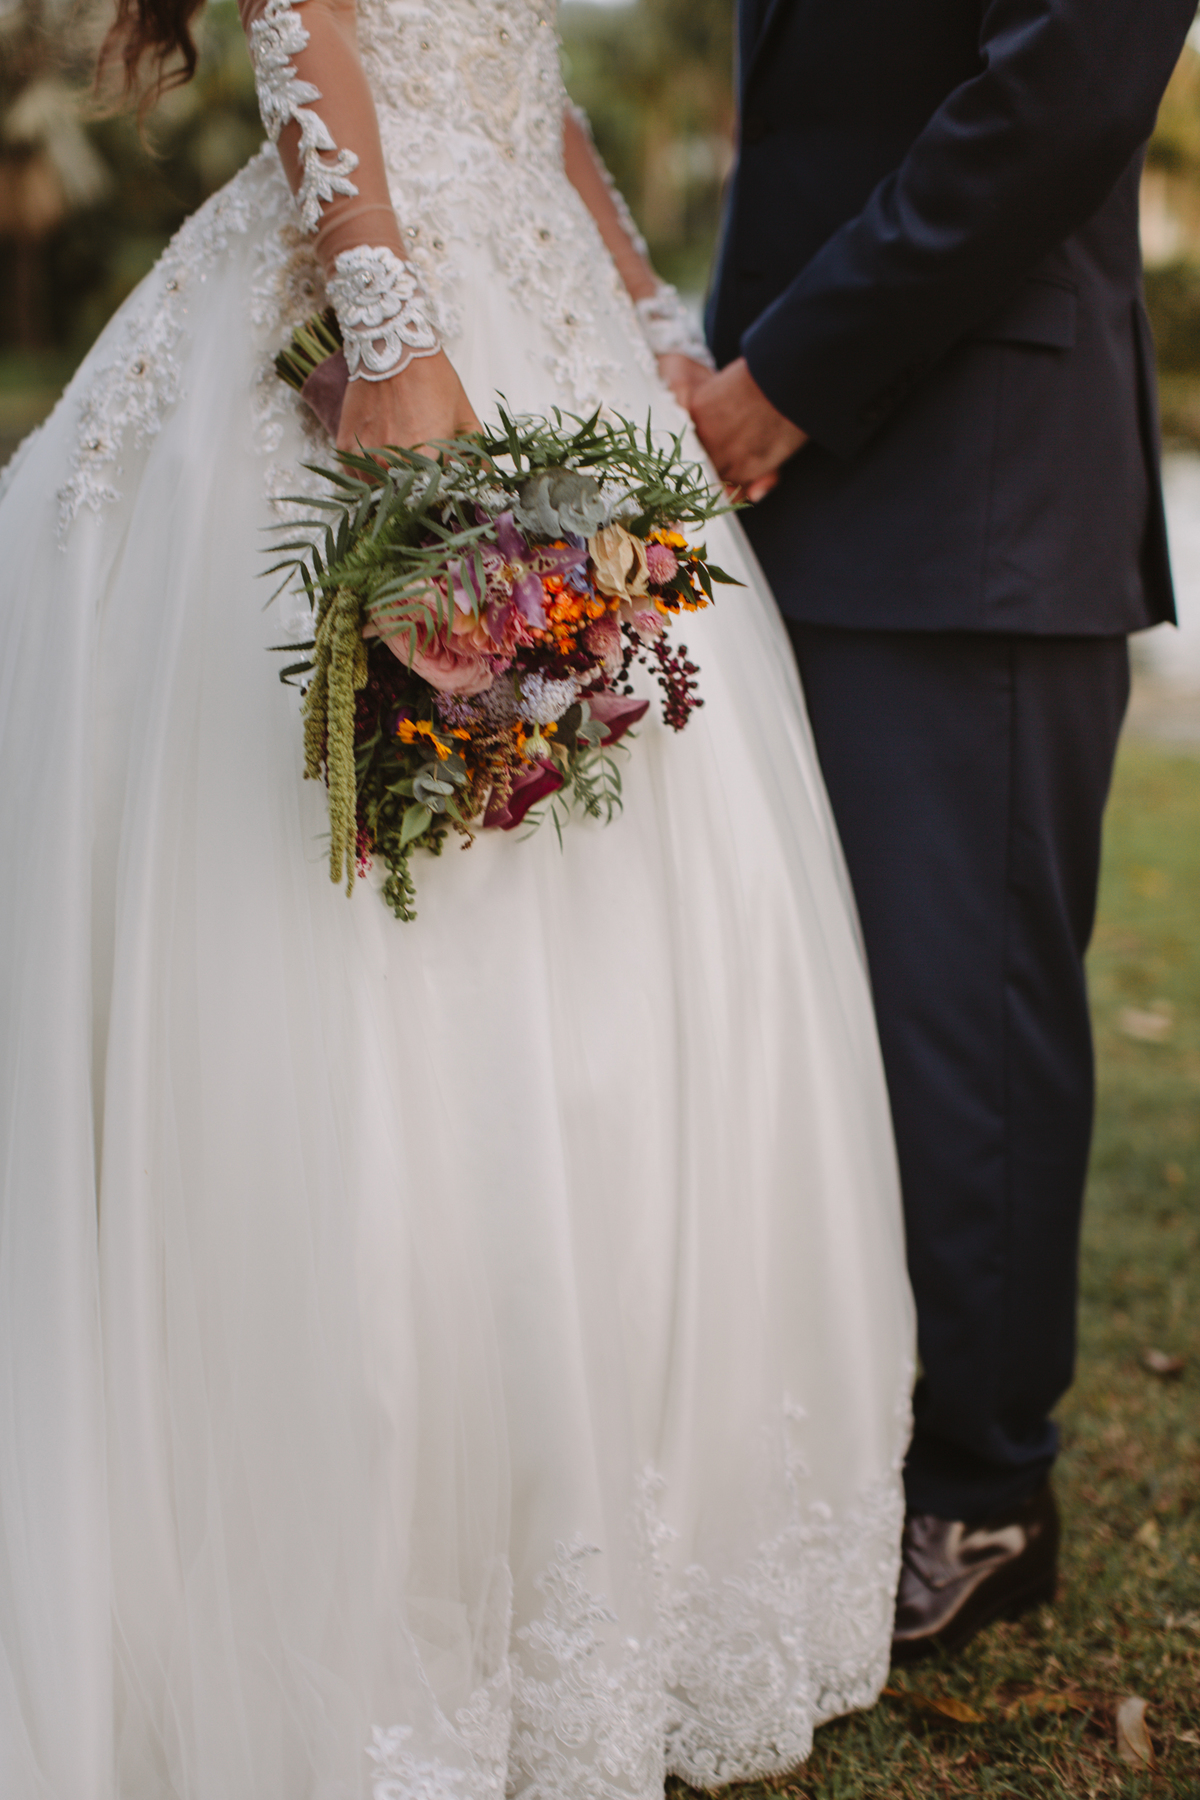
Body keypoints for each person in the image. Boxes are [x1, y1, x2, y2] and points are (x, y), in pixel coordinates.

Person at [0, 1, 915, 1795]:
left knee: (619, 867)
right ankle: (363, 1571)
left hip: (532, 265)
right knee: (352, 897)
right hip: (396, 276)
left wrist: (648, 315)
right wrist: (394, 335)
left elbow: (517, 64)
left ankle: (594, 1538)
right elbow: (306, 18)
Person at [692, 0, 1196, 1662]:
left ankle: (984, 1489)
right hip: (813, 475)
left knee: (957, 1015)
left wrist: (790, 378)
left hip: (971, 473)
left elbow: (1058, 94)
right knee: (820, 1014)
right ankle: (847, 1441)